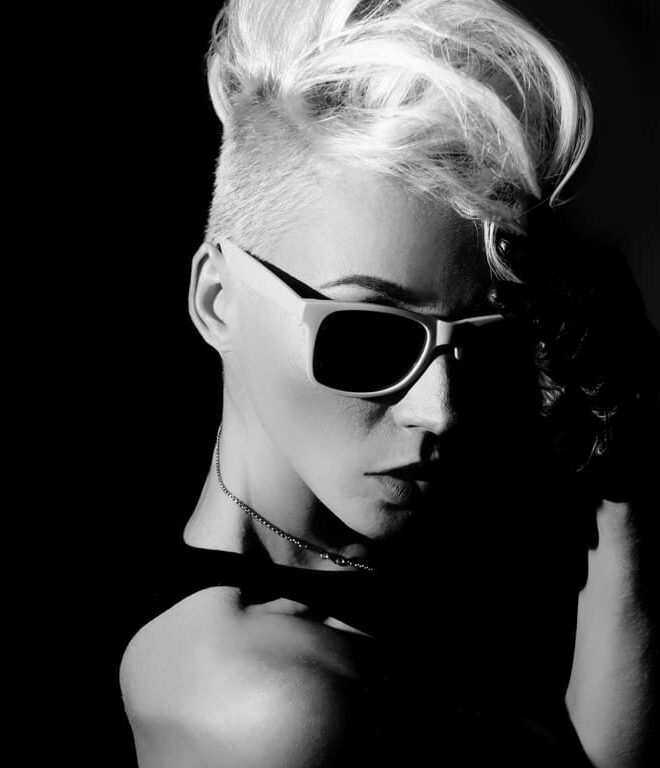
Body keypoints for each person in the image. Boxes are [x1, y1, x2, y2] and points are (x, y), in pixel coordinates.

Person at [118, 1, 659, 766]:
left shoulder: (436, 557)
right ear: (217, 301)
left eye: (485, 342)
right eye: (369, 337)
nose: (440, 411)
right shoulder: (270, 708)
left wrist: (626, 470)